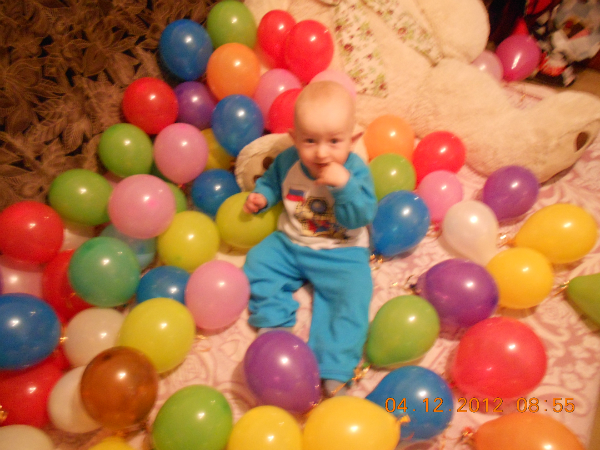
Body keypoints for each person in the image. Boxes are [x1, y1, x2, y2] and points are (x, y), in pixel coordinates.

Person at [242, 81, 378, 396]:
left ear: (353, 140)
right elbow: (272, 181)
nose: (321, 152)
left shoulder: (356, 172)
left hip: (342, 252)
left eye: (334, 141)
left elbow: (360, 217)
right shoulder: (288, 160)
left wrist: (344, 186)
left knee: (353, 297)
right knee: (258, 262)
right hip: (292, 242)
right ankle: (275, 323)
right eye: (310, 141)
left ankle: (334, 365)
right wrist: (262, 196)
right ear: (294, 138)